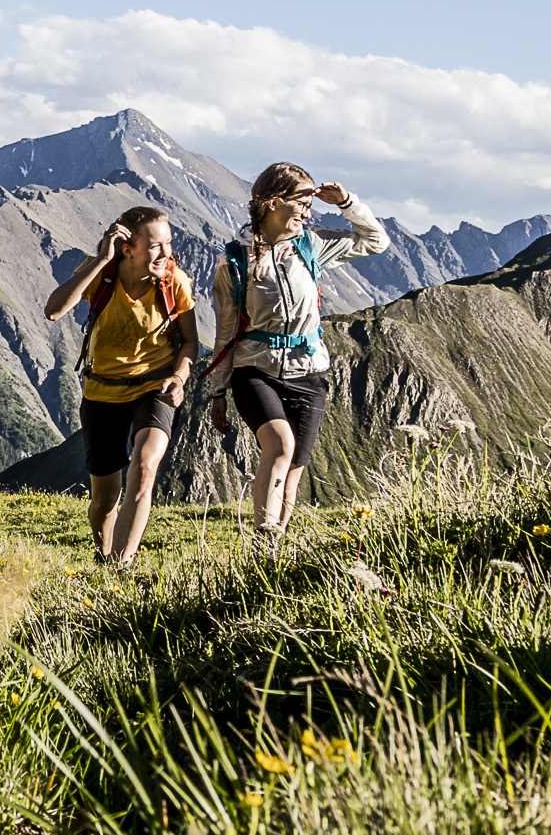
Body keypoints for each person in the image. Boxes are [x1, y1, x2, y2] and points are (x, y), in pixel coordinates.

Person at [205, 163, 390, 546]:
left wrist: (347, 203)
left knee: (292, 473)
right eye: (302, 202)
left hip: (309, 371)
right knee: (280, 446)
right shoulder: (235, 261)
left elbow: (376, 241)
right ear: (274, 203)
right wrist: (218, 392)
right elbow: (225, 329)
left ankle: (271, 552)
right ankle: (263, 538)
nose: (309, 211)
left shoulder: (312, 244)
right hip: (255, 369)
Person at [43, 204, 197, 567]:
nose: (166, 253)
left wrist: (179, 377)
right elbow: (53, 310)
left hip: (154, 387)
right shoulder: (102, 275)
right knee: (104, 499)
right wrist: (100, 260)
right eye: (156, 246)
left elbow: (190, 342)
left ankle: (120, 566)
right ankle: (104, 555)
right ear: (128, 248)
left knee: (144, 468)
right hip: (102, 391)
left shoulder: (174, 281)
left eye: (168, 243)